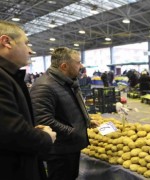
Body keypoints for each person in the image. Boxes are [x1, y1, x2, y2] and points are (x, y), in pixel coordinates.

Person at [30, 47, 99, 180]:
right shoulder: (44, 86)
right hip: (60, 150)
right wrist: (72, 132)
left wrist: (87, 120)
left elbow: (69, 107)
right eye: (78, 62)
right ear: (64, 66)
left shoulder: (67, 82)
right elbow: (42, 119)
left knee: (71, 175)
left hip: (70, 146)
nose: (81, 66)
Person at [0, 20, 56, 180]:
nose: (30, 51)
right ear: (6, 42)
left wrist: (31, 129)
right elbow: (11, 131)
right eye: (26, 43)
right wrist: (46, 137)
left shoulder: (8, 76)